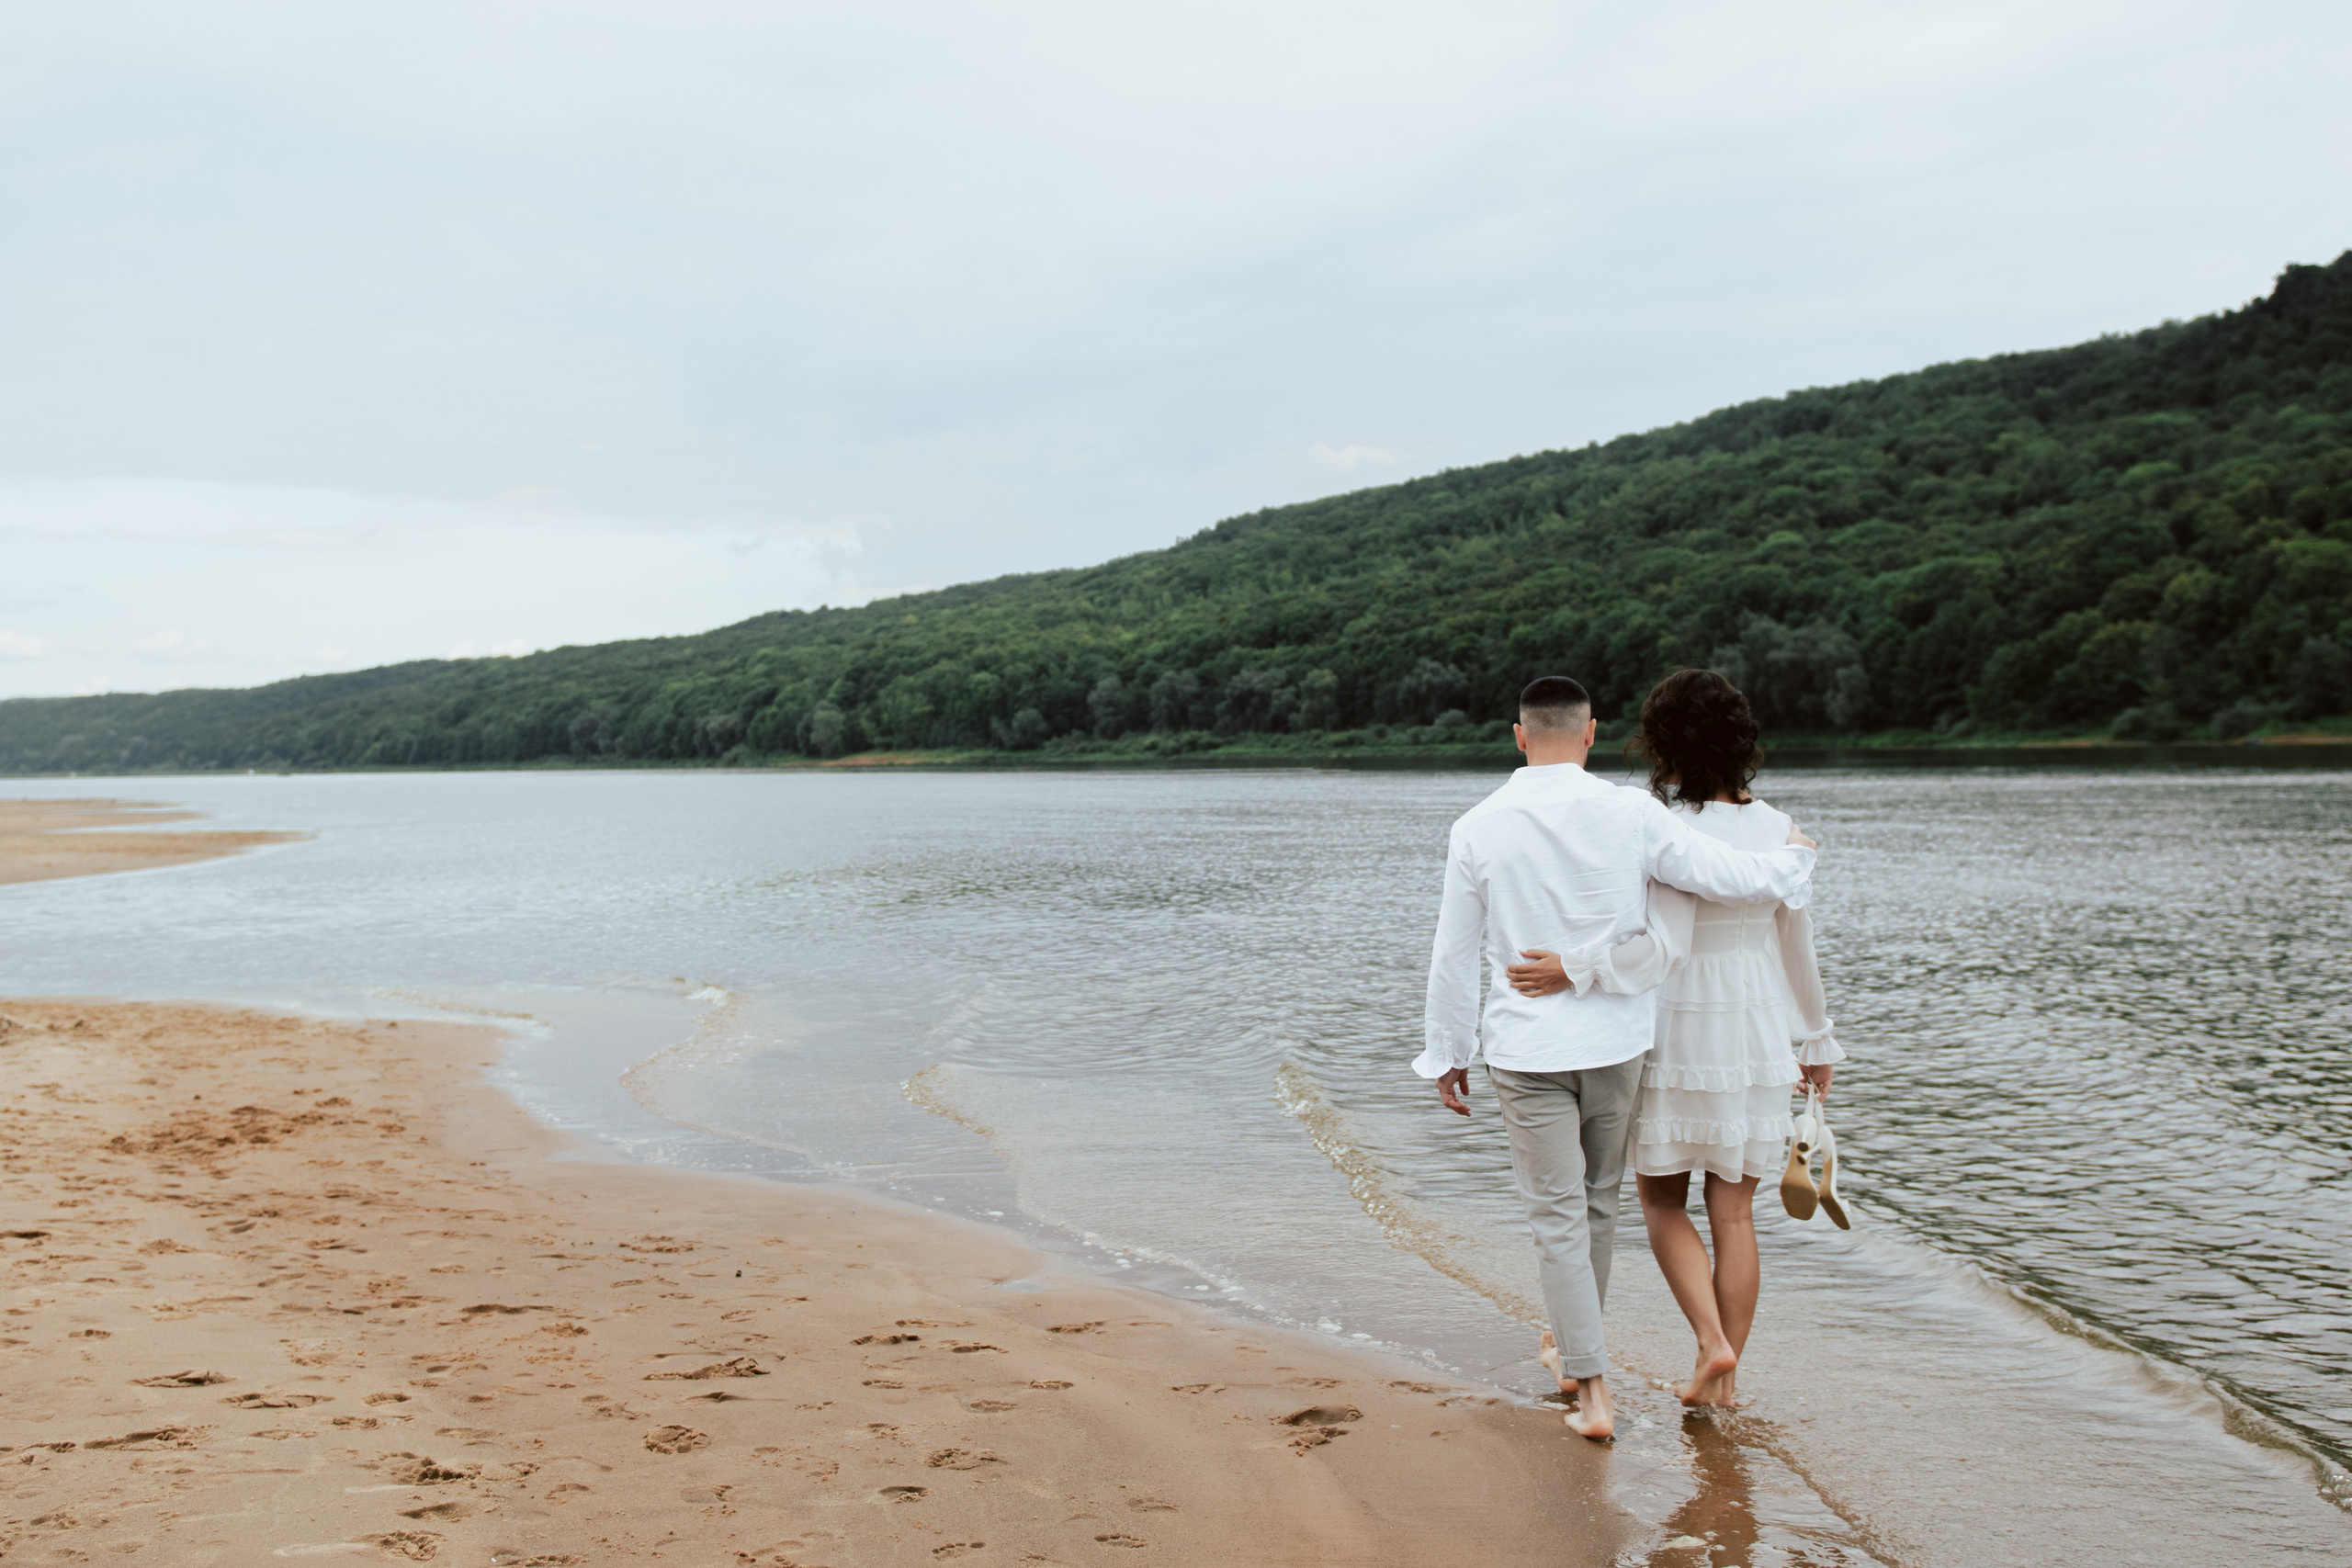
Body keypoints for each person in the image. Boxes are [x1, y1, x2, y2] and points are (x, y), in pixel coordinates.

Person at [1418, 674, 1817, 1439]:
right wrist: (1794, 863)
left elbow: (1452, 950)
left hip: (1529, 1046)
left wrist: (1447, 1050)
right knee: (1603, 1203)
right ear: (1592, 731)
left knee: (1561, 1215)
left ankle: (1589, 1383)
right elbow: (1722, 885)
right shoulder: (1632, 813)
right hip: (1621, 1044)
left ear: (1519, 733)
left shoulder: (1477, 824)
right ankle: (1591, 1361)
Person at [1507, 668, 1843, 1410]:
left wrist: (1576, 969)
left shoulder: (1657, 821)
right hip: (1756, 1029)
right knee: (1735, 1211)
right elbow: (1799, 949)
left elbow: (1663, 941)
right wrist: (1816, 1041)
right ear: (1740, 739)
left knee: (1663, 1203)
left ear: (1661, 743)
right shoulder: (1782, 831)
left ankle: (1708, 1339)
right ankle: (1726, 1378)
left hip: (1672, 1018)